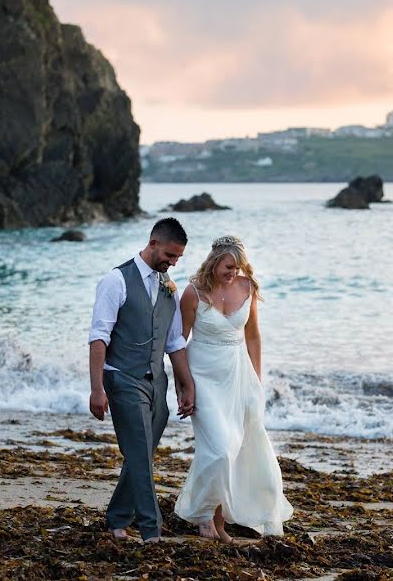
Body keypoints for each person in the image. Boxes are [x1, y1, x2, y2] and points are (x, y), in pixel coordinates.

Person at [174, 235, 292, 542]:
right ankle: (201, 515)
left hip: (240, 378)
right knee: (219, 450)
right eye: (228, 266)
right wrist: (183, 386)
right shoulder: (193, 294)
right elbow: (177, 343)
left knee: (239, 450)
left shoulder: (247, 287)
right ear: (214, 262)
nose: (233, 273)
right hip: (203, 378)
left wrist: (257, 380)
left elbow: (253, 337)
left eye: (238, 267)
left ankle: (218, 523)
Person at [88, 217, 196, 543]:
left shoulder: (169, 289)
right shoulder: (116, 281)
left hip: (157, 383)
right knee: (139, 454)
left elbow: (175, 342)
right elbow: (98, 338)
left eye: (178, 258)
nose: (173, 262)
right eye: (170, 255)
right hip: (122, 379)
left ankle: (118, 517)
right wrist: (96, 389)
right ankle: (152, 531)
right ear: (153, 243)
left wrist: (186, 384)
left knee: (141, 455)